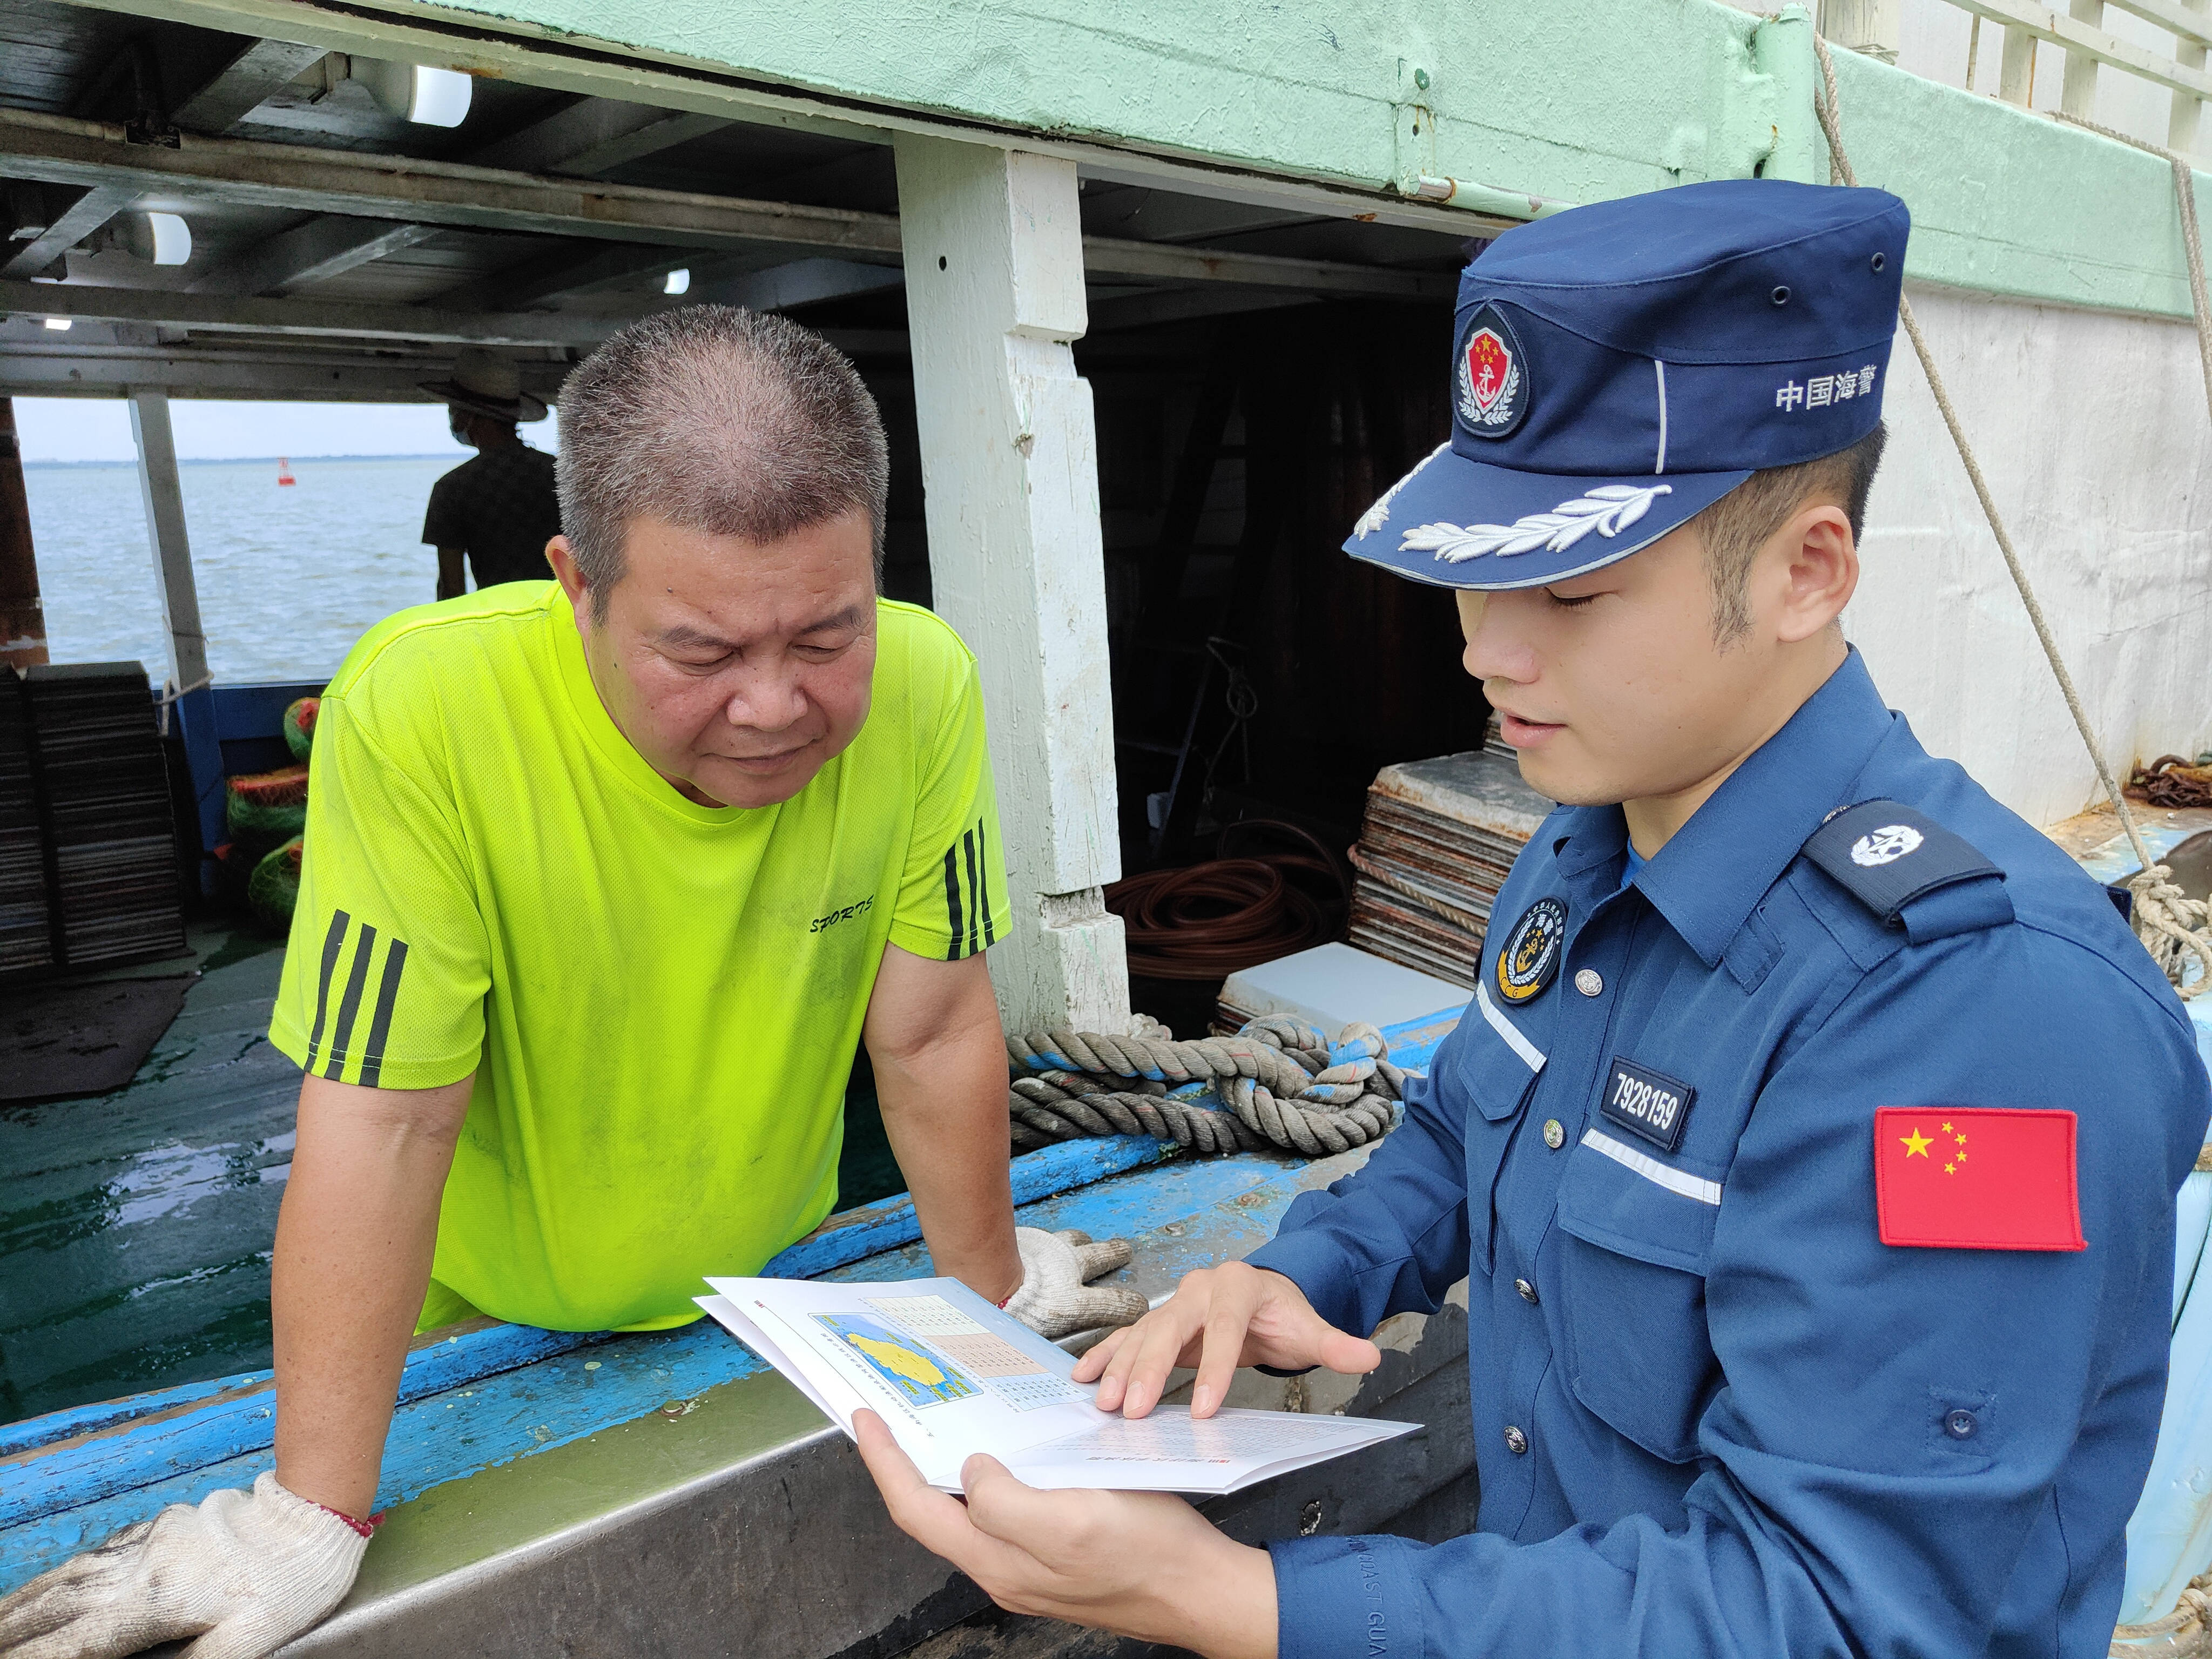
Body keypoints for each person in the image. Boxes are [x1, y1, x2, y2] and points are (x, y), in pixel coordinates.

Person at [852, 181, 2212, 1658]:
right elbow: (1466, 1130)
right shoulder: (1593, 840)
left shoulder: (1975, 1018)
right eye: (1473, 577)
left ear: (1805, 572)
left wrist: (1230, 1602)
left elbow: (1839, 1614)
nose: (1488, 655)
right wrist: (1301, 1273)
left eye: (1572, 588)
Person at [0, 306, 1145, 1659]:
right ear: (575, 581)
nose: (775, 706)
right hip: (482, 1306)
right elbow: (384, 1114)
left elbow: (934, 1019)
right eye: (702, 651)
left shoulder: (927, 682)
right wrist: (312, 1505)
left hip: (765, 1282)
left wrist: (993, 1287)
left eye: (825, 638)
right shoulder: (422, 707)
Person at [420, 347, 563, 600]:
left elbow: (451, 590)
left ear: (466, 414)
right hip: (569, 621)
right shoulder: (564, 475)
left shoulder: (452, 489)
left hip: (500, 627)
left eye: (454, 407)